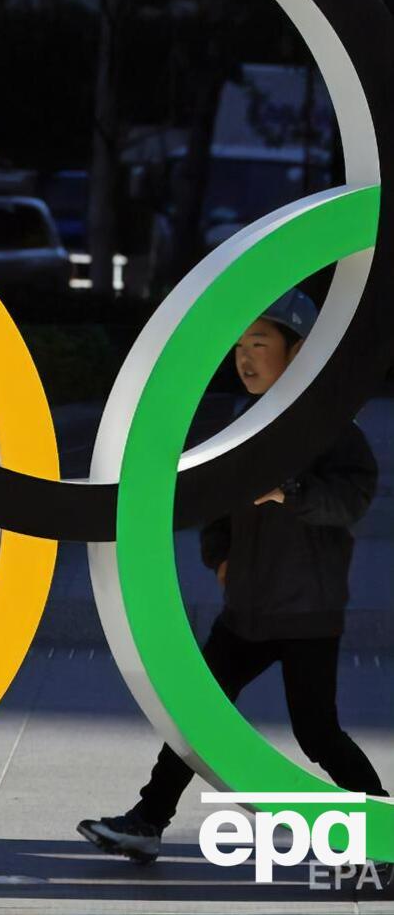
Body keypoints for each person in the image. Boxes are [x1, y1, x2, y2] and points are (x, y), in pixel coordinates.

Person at [77, 289, 387, 865]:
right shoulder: (246, 420)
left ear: (297, 352)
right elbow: (214, 499)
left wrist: (290, 492)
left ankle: (383, 834)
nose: (245, 357)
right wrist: (219, 554)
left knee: (318, 734)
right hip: (246, 610)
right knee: (194, 716)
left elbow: (351, 499)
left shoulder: (331, 428)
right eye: (240, 345)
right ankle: (148, 821)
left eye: (259, 343)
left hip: (306, 613)